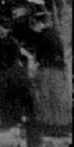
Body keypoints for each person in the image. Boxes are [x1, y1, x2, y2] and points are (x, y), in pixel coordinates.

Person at [23, 10, 72, 147]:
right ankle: (58, 125)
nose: (34, 28)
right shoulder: (52, 33)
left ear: (39, 23)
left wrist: (37, 60)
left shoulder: (45, 36)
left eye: (35, 25)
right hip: (56, 71)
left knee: (49, 98)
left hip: (49, 71)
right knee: (56, 99)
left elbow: (42, 55)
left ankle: (54, 126)